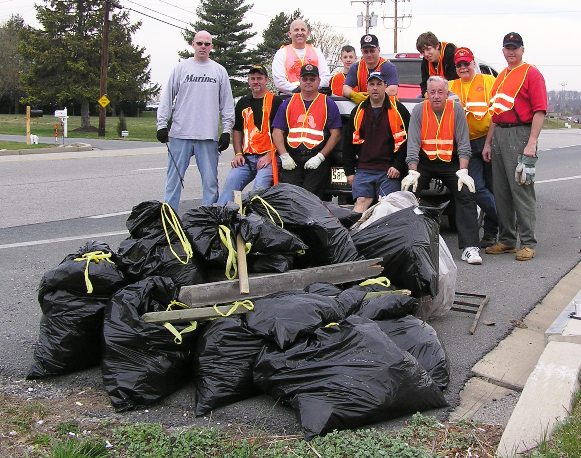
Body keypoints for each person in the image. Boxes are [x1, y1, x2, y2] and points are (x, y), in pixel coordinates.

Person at [401, 76, 482, 265]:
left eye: (440, 92)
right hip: (425, 161)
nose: (436, 96)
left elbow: (463, 143)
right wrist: (412, 171)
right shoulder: (419, 110)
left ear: (447, 94)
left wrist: (463, 171)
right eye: (432, 92)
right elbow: (412, 144)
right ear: (426, 93)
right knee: (408, 193)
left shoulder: (456, 110)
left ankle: (470, 247)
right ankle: (406, 242)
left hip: (450, 162)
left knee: (466, 192)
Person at [482, 32, 547, 261]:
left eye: (515, 48)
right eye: (507, 48)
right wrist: (489, 142)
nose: (511, 52)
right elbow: (495, 113)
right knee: (501, 192)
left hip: (520, 134)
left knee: (521, 190)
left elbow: (539, 110)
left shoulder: (531, 73)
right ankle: (507, 240)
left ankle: (528, 242)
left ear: (522, 50)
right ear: (503, 50)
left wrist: (532, 142)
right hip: (500, 133)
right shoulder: (501, 77)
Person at [156, 30, 234, 211]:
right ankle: (170, 217)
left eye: (207, 44)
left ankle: (208, 220)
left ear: (211, 47)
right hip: (180, 134)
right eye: (200, 43)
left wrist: (226, 131)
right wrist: (161, 124)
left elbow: (227, 104)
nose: (203, 47)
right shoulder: (181, 68)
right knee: (173, 181)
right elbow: (167, 97)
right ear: (193, 44)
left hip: (207, 136)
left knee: (210, 183)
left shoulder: (219, 71)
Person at [448, 46, 499, 248]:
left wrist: (490, 142)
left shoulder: (488, 81)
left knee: (494, 189)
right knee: (477, 188)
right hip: (466, 145)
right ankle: (507, 220)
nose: (463, 67)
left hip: (489, 139)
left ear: (473, 64)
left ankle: (491, 234)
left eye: (466, 63)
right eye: (459, 64)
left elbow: (497, 113)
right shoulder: (450, 86)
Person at [343, 71, 410, 212]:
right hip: (364, 169)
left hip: (389, 171)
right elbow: (347, 144)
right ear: (366, 87)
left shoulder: (399, 110)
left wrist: (398, 166)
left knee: (386, 208)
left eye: (379, 84)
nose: (375, 88)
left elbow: (408, 142)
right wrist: (349, 172)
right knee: (361, 203)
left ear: (385, 86)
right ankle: (352, 233)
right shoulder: (358, 111)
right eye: (371, 84)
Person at [272, 64, 342, 198]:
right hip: (292, 158)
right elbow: (277, 131)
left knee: (310, 200)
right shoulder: (288, 103)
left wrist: (320, 157)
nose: (308, 82)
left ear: (319, 81)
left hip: (316, 158)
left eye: (312, 79)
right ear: (300, 80)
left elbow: (336, 134)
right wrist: (284, 156)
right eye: (305, 79)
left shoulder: (328, 103)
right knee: (290, 198)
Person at [217, 65, 283, 205]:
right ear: (248, 81)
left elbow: (281, 132)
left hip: (268, 158)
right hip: (247, 159)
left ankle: (256, 222)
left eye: (259, 78)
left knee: (258, 192)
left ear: (267, 80)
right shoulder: (243, 102)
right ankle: (222, 219)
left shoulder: (276, 102)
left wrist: (269, 155)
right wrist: (238, 154)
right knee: (231, 185)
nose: (256, 81)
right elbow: (237, 130)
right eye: (252, 78)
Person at [271, 19, 331, 95]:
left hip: (315, 97)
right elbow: (279, 81)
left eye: (303, 30)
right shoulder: (281, 53)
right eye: (296, 30)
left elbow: (326, 77)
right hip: (289, 97)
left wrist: (311, 89)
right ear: (290, 34)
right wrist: (299, 90)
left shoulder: (317, 52)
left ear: (308, 33)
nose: (300, 33)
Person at [343, 34, 399, 104]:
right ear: (361, 51)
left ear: (378, 50)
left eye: (372, 51)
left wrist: (371, 98)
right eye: (366, 51)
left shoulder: (388, 66)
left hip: (386, 108)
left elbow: (393, 90)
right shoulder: (356, 67)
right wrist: (354, 95)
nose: (369, 54)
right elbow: (345, 88)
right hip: (365, 108)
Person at [416, 32, 458, 97]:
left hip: (453, 92)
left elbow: (454, 81)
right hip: (436, 93)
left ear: (437, 46)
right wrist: (426, 94)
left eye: (428, 49)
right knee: (419, 98)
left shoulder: (451, 54)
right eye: (422, 52)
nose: (426, 54)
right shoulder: (425, 61)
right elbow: (424, 83)